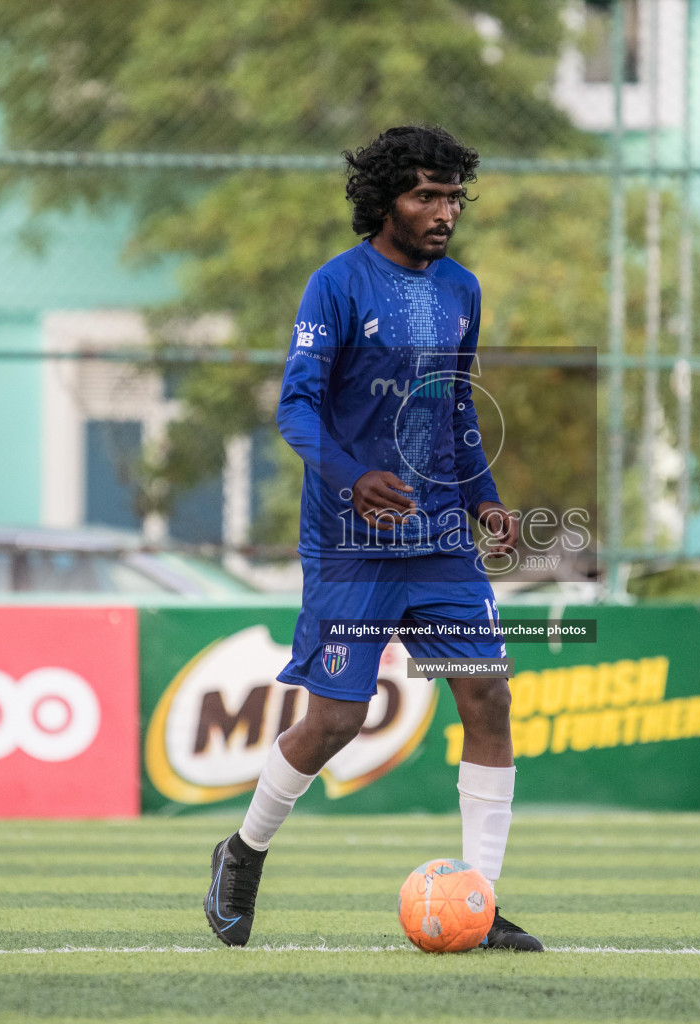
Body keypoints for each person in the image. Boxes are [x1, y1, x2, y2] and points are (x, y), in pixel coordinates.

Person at [204, 124, 542, 952]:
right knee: (336, 722)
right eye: (426, 194)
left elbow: (457, 410)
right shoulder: (336, 286)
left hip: (439, 545)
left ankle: (480, 902)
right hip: (350, 543)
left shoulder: (462, 288)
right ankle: (242, 854)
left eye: (454, 194)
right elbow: (295, 409)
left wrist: (486, 503)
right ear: (383, 199)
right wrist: (353, 475)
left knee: (488, 695)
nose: (444, 210)